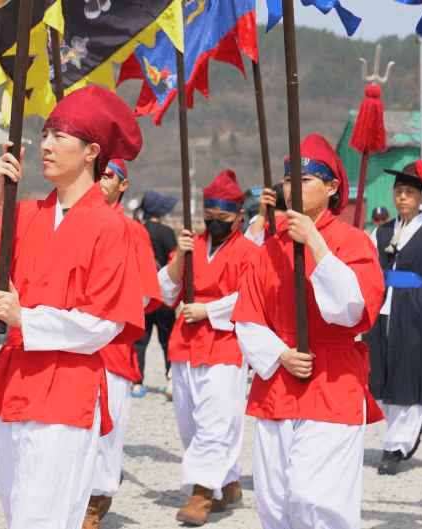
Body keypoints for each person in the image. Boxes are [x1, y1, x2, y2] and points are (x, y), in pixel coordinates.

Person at [0, 86, 146, 529]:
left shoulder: (112, 227)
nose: (45, 145)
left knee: (42, 518)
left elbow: (104, 321)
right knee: (18, 510)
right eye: (44, 134)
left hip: (67, 389)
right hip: (14, 384)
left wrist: (27, 318)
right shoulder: (26, 215)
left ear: (92, 151)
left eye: (60, 136)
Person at [232, 133, 385, 529]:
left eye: (305, 180)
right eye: (288, 180)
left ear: (332, 187)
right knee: (274, 500)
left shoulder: (353, 241)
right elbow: (248, 316)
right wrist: (280, 353)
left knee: (315, 497)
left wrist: (316, 243)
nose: (292, 188)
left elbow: (353, 310)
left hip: (333, 382)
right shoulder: (269, 249)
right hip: (279, 382)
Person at [159, 169, 261, 526]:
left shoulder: (250, 252)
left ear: (239, 217)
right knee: (188, 422)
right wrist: (180, 259)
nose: (215, 223)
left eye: (224, 218)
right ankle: (228, 481)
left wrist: (209, 309)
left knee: (216, 421)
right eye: (210, 217)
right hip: (185, 342)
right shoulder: (190, 246)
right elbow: (165, 292)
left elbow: (250, 297)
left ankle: (202, 493)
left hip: (225, 342)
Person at [364, 161, 422, 475]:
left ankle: (396, 446)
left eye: (409, 192)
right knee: (384, 376)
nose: (402, 197)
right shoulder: (382, 231)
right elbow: (367, 270)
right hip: (384, 309)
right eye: (399, 192)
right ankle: (404, 430)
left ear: (421, 197)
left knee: (409, 375)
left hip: (416, 309)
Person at [83, 159, 161, 528]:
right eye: (97, 174)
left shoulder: (133, 232)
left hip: (110, 345)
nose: (101, 182)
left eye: (109, 176)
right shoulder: (68, 223)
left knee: (105, 427)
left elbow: (145, 295)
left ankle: (96, 499)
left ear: (123, 185)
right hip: (64, 344)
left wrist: (104, 305)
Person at [133, 190, 178, 398]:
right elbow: (175, 261)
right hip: (164, 296)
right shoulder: (167, 232)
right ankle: (171, 379)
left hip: (141, 294)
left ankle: (136, 382)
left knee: (140, 340)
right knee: (167, 339)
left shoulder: (137, 229)